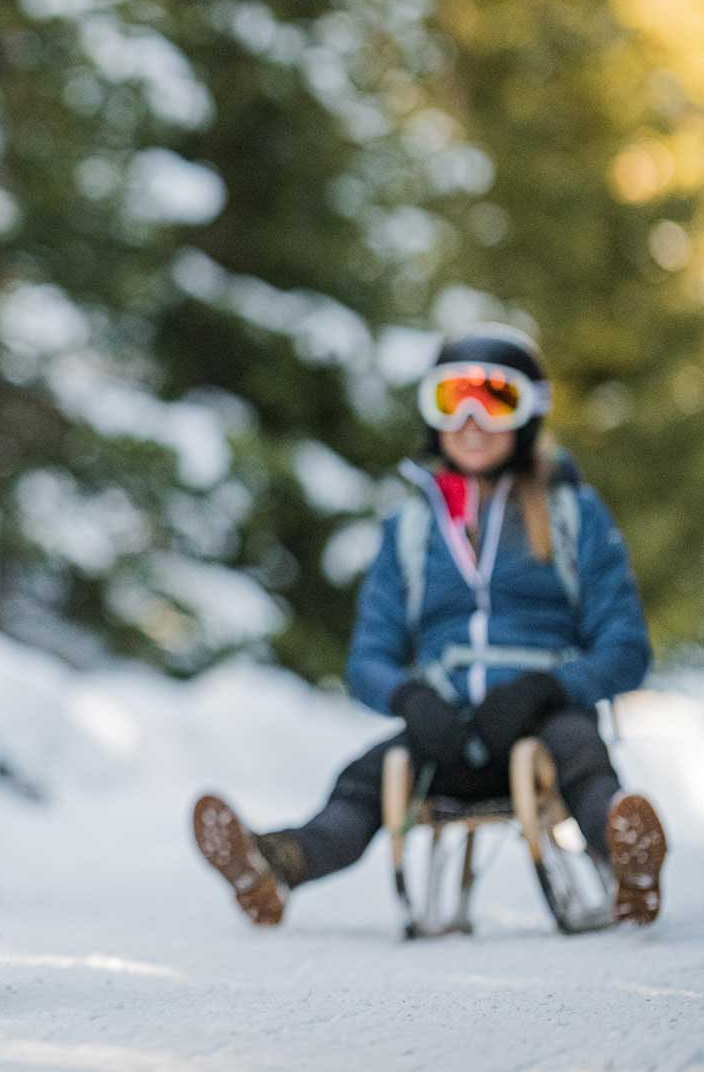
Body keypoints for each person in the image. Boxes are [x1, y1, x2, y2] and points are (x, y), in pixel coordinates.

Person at [192, 325, 667, 927]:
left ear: (528, 413)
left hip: (544, 717)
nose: (470, 418)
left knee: (582, 759)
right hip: (447, 726)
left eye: (494, 398)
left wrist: (551, 690)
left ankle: (629, 854)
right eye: (451, 398)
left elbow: (626, 646)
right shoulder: (411, 527)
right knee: (364, 782)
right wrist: (410, 698)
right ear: (432, 412)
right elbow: (369, 656)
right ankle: (277, 861)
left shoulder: (573, 512)